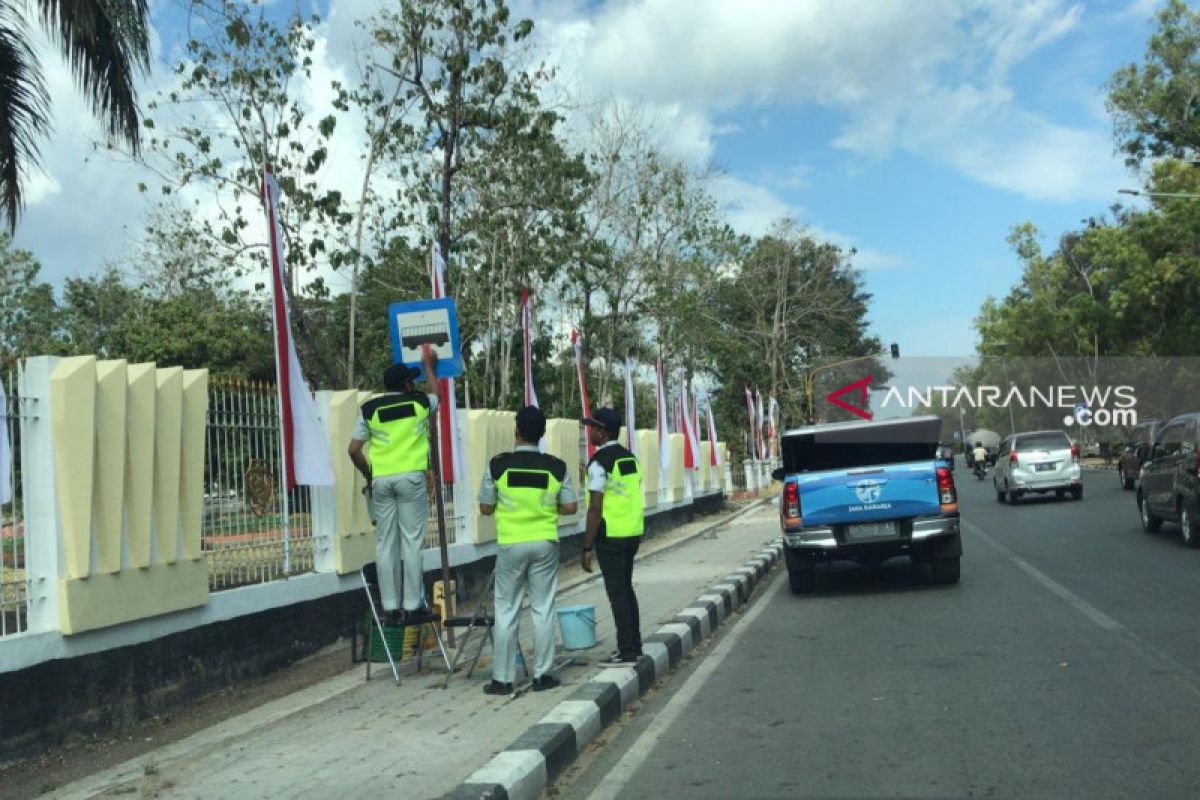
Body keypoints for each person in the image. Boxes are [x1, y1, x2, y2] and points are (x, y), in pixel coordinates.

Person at [477, 406, 578, 694]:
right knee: (542, 608)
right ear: (543, 434)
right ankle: (543, 675)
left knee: (507, 609)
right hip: (545, 541)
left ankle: (503, 679)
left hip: (511, 543)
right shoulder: (556, 466)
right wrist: (547, 508)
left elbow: (485, 507)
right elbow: (571, 506)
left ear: (516, 431)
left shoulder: (498, 465)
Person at [347, 345, 440, 626]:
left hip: (382, 480)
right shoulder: (419, 403)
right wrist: (429, 369)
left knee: (386, 543)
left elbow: (353, 450)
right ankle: (412, 606)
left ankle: (389, 608)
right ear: (408, 384)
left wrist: (369, 475)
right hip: (410, 478)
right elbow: (437, 396)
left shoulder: (370, 409)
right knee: (411, 541)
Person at [581, 407, 645, 667]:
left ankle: (627, 651)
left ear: (602, 431)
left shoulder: (599, 463)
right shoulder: (630, 458)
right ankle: (634, 644)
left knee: (617, 593)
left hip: (611, 537)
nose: (590, 432)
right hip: (632, 533)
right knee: (626, 590)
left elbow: (595, 507)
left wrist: (587, 546)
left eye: (593, 427)